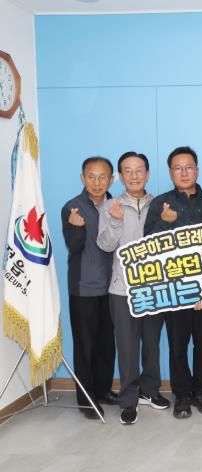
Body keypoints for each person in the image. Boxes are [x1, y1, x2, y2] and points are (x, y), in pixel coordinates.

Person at [97, 151, 170, 425]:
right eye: (127, 171)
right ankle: (128, 400)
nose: (134, 175)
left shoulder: (160, 204)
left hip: (154, 287)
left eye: (139, 170)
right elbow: (105, 245)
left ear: (147, 174)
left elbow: (170, 245)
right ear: (120, 176)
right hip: (122, 289)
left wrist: (169, 223)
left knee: (151, 343)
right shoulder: (111, 205)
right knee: (127, 347)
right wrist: (116, 221)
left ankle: (149, 391)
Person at [144, 146, 202, 419]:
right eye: (177, 168)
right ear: (170, 172)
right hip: (174, 287)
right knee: (178, 344)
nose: (184, 173)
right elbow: (148, 246)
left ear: (197, 170)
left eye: (189, 167)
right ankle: (182, 394)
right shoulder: (160, 204)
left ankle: (201, 391)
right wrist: (165, 223)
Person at [61, 156, 117, 419]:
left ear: (111, 179)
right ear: (83, 178)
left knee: (107, 345)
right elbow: (73, 248)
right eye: (91, 177)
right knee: (85, 347)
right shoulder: (72, 208)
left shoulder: (117, 205)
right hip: (84, 288)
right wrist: (76, 229)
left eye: (102, 177)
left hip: (113, 287)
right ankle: (86, 400)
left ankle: (103, 390)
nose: (97, 182)